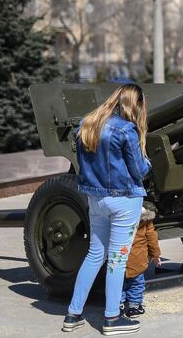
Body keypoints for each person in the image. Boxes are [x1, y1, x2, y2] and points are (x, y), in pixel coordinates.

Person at [62, 84, 150, 336]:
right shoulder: (127, 130)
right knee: (117, 260)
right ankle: (112, 318)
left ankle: (73, 313)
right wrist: (148, 162)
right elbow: (139, 171)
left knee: (94, 255)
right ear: (135, 104)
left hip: (96, 200)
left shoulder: (87, 125)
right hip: (124, 201)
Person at [121, 203, 161, 318]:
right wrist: (156, 255)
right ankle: (134, 307)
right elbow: (152, 238)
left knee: (119, 284)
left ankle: (119, 305)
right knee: (137, 284)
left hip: (120, 259)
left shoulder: (120, 217)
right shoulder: (146, 221)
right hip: (138, 260)